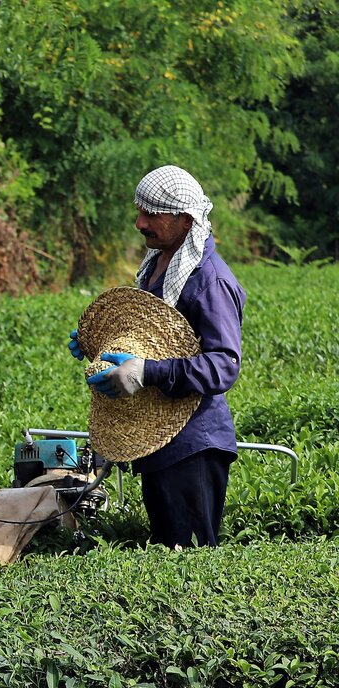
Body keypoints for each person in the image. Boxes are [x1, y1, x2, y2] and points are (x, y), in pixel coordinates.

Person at [70, 165, 246, 548]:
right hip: (160, 440)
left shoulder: (208, 280)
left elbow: (223, 365)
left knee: (188, 561)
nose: (139, 222)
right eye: (139, 211)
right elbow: (156, 339)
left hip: (192, 444)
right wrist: (97, 345)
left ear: (185, 220)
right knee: (166, 551)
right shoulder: (160, 265)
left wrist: (146, 372)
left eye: (151, 214)